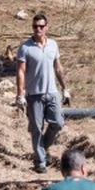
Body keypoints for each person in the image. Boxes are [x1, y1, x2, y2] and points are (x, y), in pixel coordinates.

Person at [16, 12, 69, 173]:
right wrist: (20, 94)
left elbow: (58, 67)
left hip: (52, 92)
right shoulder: (25, 48)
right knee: (36, 128)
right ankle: (40, 162)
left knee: (57, 123)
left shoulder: (53, 45)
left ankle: (43, 147)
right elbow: (20, 71)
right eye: (35, 26)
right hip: (34, 94)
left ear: (46, 27)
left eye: (41, 26)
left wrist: (65, 88)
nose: (38, 29)